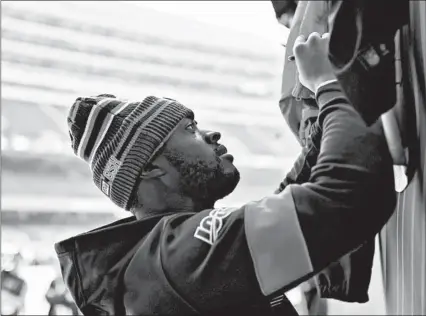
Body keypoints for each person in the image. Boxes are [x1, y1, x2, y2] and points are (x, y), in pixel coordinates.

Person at [55, 32, 395, 316]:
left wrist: (322, 117)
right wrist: (329, 82)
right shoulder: (179, 261)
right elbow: (345, 200)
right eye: (190, 129)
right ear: (149, 167)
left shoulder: (157, 266)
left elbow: (289, 201)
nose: (211, 134)